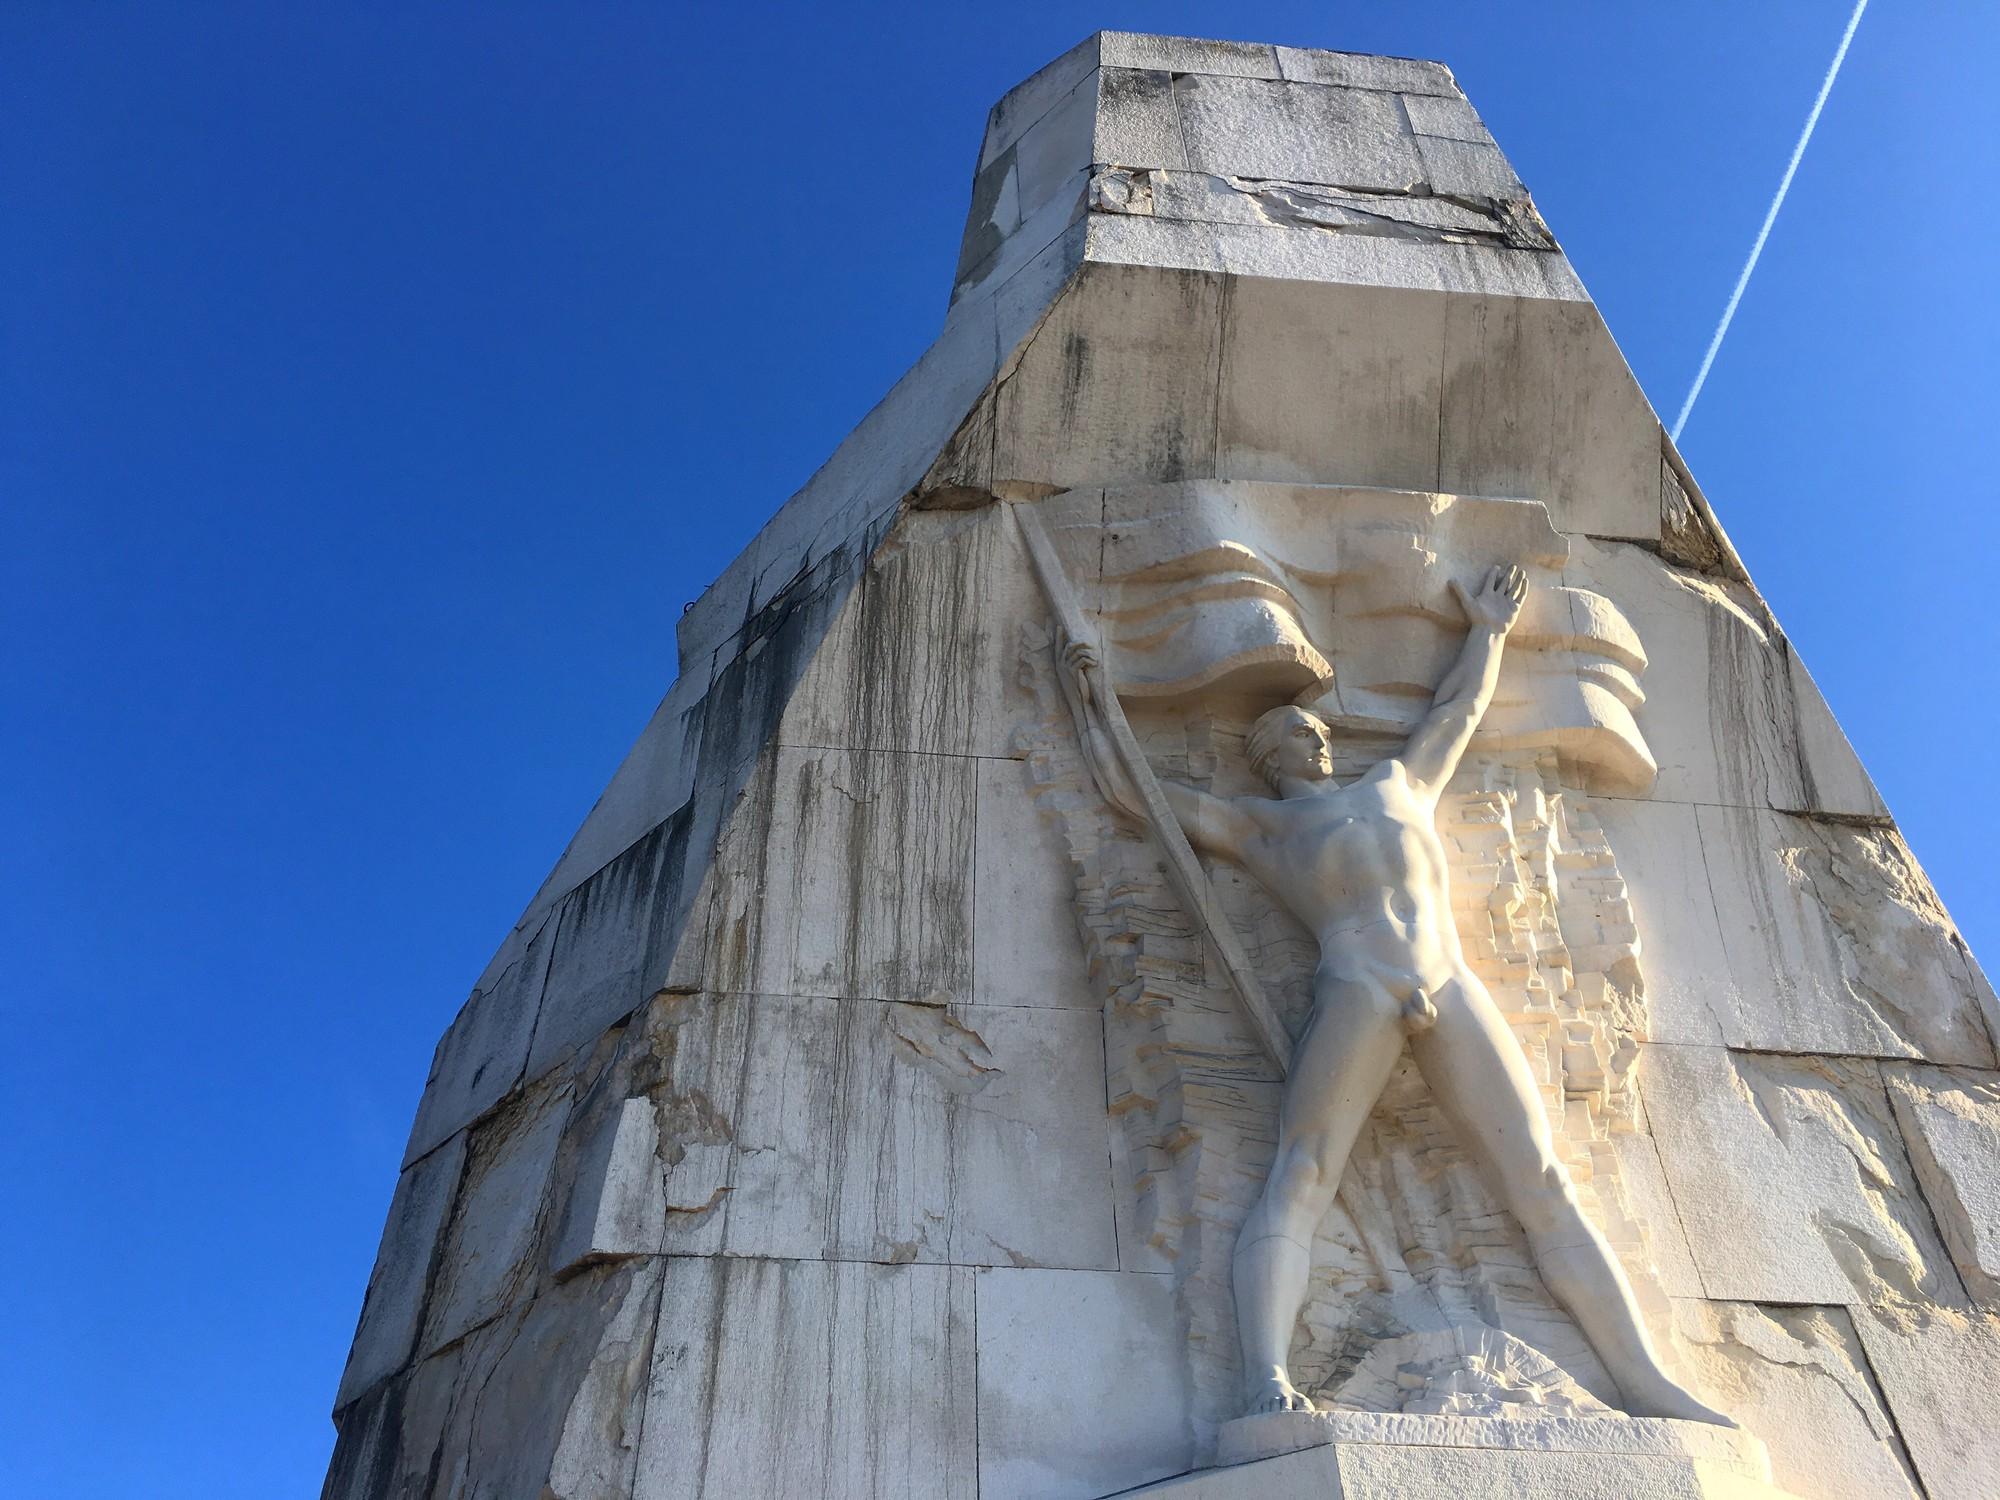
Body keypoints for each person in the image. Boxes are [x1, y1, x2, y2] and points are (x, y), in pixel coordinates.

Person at [1060, 564, 1729, 1425]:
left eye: (1319, 729)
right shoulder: (1263, 826)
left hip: (1444, 975)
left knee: (1544, 1181)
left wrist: (1486, 631)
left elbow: (1456, 714)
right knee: (1302, 1173)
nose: (1319, 739)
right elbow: (1135, 795)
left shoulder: (1397, 787)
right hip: (1357, 982)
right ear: (1267, 757)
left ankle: (1642, 1379)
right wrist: (1086, 697)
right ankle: (1263, 1378)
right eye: (1299, 734)